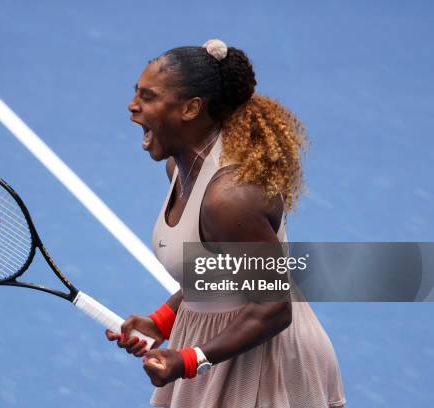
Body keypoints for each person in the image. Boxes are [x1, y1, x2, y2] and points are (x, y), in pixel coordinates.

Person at [106, 39, 346, 407]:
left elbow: (273, 307)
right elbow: (212, 269)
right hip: (214, 345)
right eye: (136, 93)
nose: (132, 106)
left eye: (148, 97)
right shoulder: (179, 168)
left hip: (265, 361)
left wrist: (190, 359)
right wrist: (162, 321)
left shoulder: (228, 200)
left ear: (190, 108)